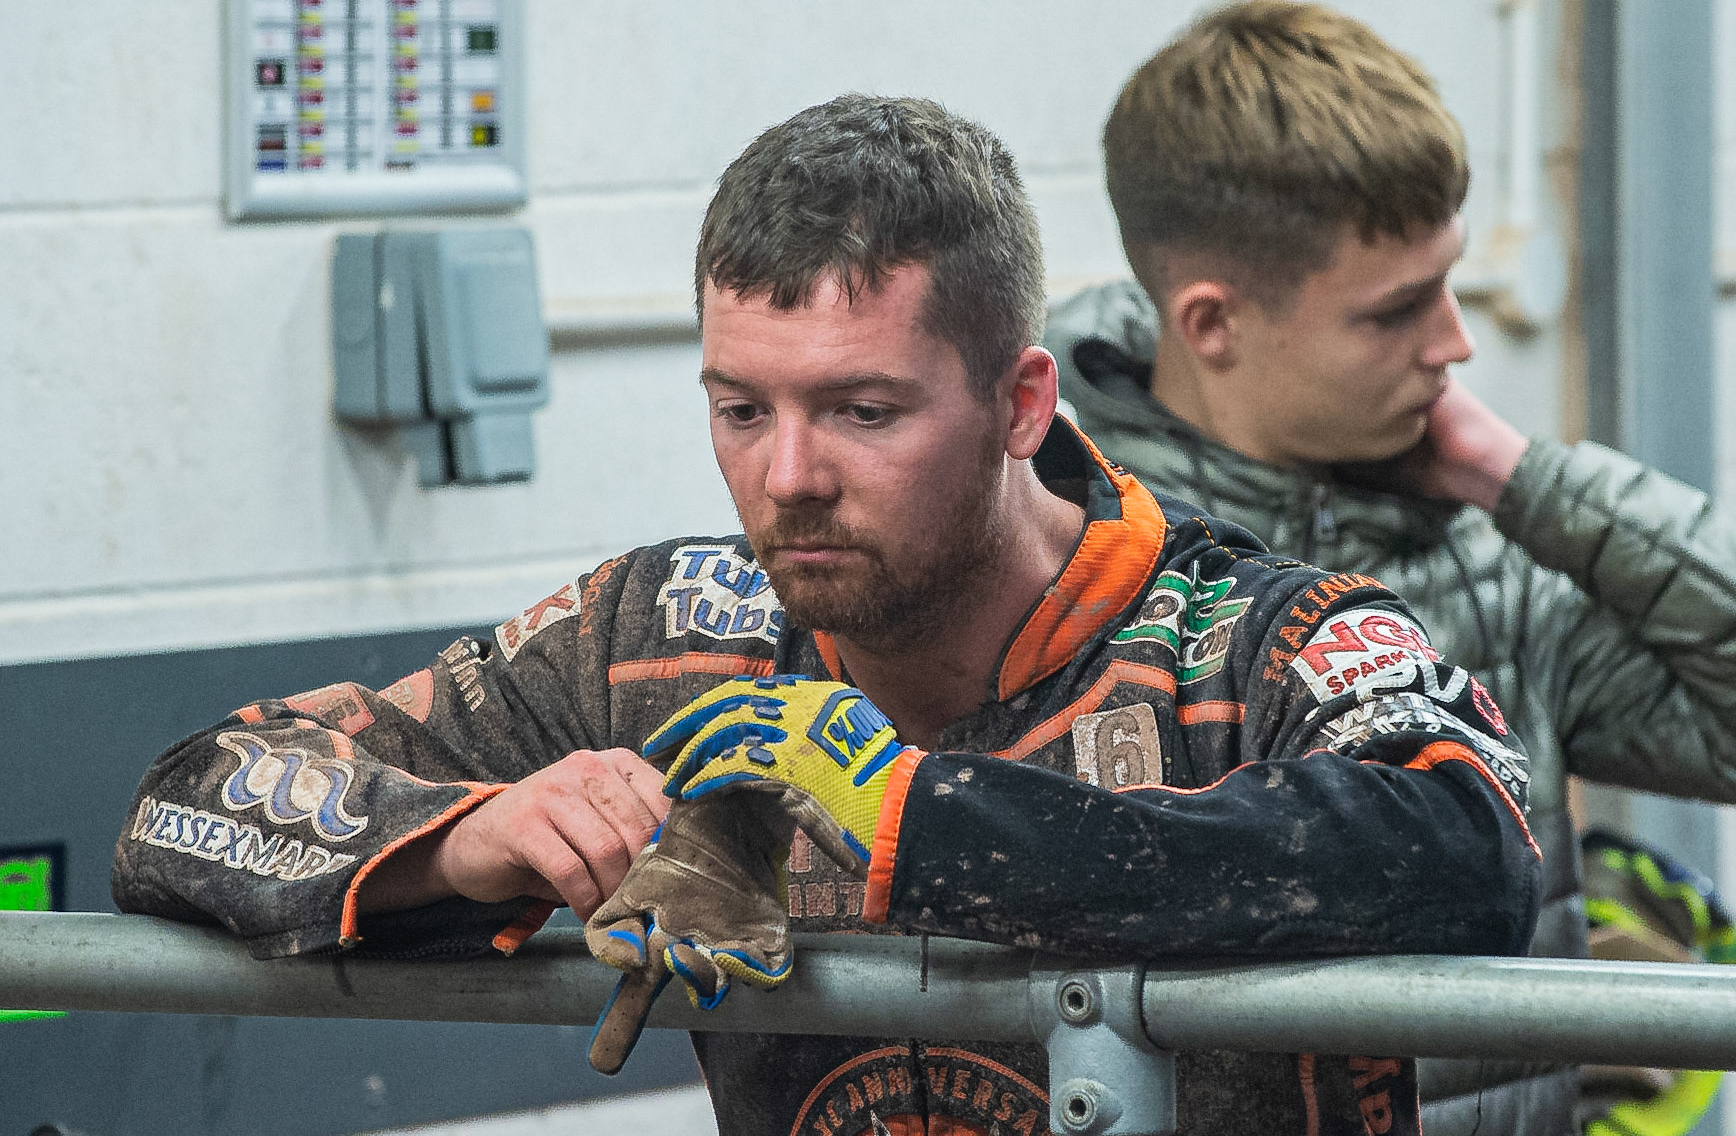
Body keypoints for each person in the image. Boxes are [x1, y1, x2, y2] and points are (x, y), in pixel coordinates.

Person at [112, 93, 1538, 1136]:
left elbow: (1473, 843)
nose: (787, 477)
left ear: (1018, 403)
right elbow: (185, 801)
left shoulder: (1245, 636)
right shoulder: (664, 632)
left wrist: (923, 821)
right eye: (741, 409)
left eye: (865, 409)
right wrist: (461, 841)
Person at [1044, 0, 1736, 1135]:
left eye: (1448, 282)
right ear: (1211, 324)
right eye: (1396, 311)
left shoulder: (1483, 561)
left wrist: (1525, 480)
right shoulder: (1059, 562)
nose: (1456, 342)